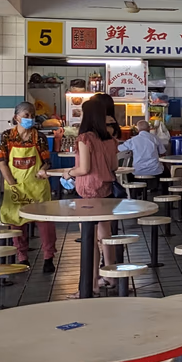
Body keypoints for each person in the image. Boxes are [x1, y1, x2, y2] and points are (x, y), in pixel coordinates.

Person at [63, 98, 120, 297]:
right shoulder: (110, 138)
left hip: (88, 192)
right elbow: (114, 166)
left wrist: (69, 173)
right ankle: (111, 277)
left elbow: (84, 169)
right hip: (106, 190)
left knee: (89, 238)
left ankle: (92, 285)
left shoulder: (85, 138)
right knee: (106, 236)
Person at [0, 102, 58, 272]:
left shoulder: (39, 137)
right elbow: (2, 161)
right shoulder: (7, 136)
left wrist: (43, 170)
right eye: (26, 115)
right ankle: (22, 256)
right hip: (15, 186)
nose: (30, 118)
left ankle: (48, 257)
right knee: (17, 222)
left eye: (32, 115)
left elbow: (46, 161)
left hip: (37, 186)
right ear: (16, 117)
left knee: (45, 222)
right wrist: (12, 183)